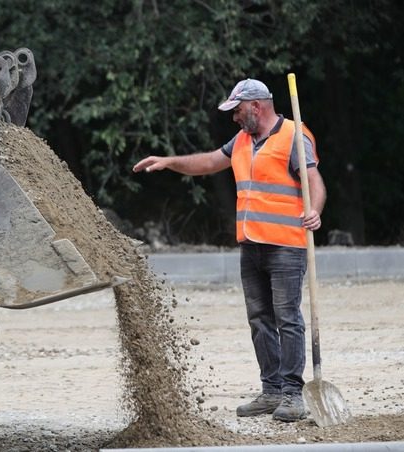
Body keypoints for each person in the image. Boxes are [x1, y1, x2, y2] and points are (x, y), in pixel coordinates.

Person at [132, 79, 326, 422]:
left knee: (288, 319)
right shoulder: (242, 140)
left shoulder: (294, 136)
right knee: (260, 321)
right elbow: (208, 162)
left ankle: (293, 394)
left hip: (285, 245)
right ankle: (271, 391)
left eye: (237, 110)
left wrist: (315, 211)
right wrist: (169, 161)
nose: (234, 117)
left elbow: (314, 182)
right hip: (251, 244)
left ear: (256, 106)